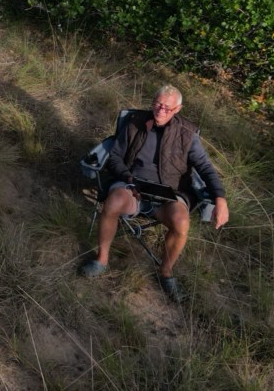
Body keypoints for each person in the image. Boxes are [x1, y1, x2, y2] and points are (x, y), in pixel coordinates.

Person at [78, 85, 229, 302]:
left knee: (181, 221)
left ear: (178, 109)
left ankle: (166, 272)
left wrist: (220, 198)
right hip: (131, 187)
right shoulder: (134, 123)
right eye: (158, 104)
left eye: (168, 108)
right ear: (152, 102)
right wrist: (128, 179)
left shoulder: (187, 134)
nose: (161, 110)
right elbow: (115, 158)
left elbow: (205, 167)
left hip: (170, 193)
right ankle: (101, 260)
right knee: (113, 203)